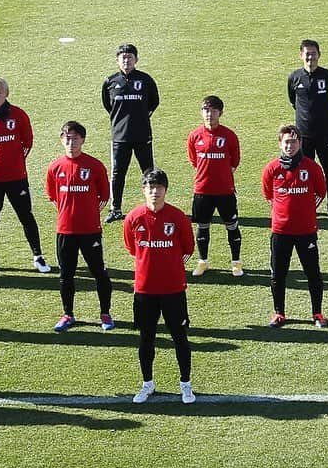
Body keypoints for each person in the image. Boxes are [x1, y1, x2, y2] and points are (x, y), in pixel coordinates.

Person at [123, 169, 196, 404]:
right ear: (143, 189)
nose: (154, 192)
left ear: (166, 190)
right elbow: (132, 248)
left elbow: (187, 248)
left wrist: (170, 265)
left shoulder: (178, 218)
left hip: (174, 289)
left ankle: (186, 384)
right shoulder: (133, 218)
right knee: (146, 339)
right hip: (144, 290)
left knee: (179, 338)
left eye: (159, 187)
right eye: (150, 187)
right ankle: (147, 384)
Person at [0, 76, 50, 276]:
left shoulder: (19, 116)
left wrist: (13, 162)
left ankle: (38, 257)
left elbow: (27, 142)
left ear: (6, 94)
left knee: (26, 216)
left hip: (16, 178)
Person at [44, 121, 113, 332]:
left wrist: (88, 213)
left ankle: (105, 313)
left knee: (99, 272)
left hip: (90, 230)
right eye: (66, 138)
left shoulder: (94, 166)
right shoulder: (55, 168)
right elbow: (53, 197)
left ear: (82, 140)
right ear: (61, 140)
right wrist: (69, 213)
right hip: (65, 231)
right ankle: (68, 314)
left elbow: (104, 196)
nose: (70, 142)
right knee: (66, 275)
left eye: (74, 138)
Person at [261, 125, 328, 328]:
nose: (290, 145)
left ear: (300, 143)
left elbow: (320, 193)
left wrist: (305, 211)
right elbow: (269, 196)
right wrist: (284, 213)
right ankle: (279, 313)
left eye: (294, 141)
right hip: (280, 231)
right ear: (280, 144)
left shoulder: (312, 167)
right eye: (286, 142)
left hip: (306, 231)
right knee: (278, 274)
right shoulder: (272, 169)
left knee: (313, 273)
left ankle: (317, 313)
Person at [101, 43, 160, 222]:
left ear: (136, 60)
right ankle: (116, 209)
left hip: (142, 135)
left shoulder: (145, 80)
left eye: (130, 57)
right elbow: (107, 105)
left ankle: (153, 206)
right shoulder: (110, 82)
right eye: (123, 57)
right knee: (118, 173)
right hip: (120, 137)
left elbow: (154, 102)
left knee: (149, 172)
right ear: (117, 60)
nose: (126, 60)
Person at [187, 95, 244, 277]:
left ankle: (236, 262)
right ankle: (203, 261)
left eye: (213, 110)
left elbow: (235, 161)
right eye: (205, 110)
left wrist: (222, 176)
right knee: (202, 227)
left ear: (220, 112)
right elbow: (194, 161)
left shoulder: (229, 136)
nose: (209, 114)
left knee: (232, 226)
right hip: (202, 191)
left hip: (225, 191)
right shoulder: (195, 136)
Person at [287, 39, 328, 217]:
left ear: (319, 54)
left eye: (313, 53)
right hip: (304, 136)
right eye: (307, 54)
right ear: (301, 55)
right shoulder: (295, 77)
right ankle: (309, 205)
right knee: (305, 171)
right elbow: (293, 101)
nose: (311, 57)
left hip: (325, 134)